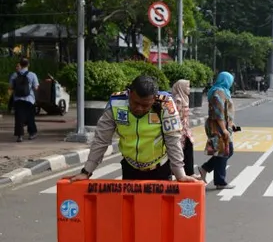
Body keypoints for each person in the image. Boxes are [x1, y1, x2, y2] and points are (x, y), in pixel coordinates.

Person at [70, 75, 199, 183]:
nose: (139, 108)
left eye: (145, 105)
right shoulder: (116, 104)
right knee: (129, 211)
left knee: (156, 212)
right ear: (130, 93)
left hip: (160, 170)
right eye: (135, 103)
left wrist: (180, 175)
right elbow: (101, 140)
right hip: (130, 168)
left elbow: (173, 141)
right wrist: (86, 171)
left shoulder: (165, 105)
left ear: (154, 99)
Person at [198, 71, 236, 189]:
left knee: (225, 152)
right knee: (224, 152)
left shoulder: (224, 91)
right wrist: (224, 129)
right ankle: (220, 181)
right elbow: (218, 112)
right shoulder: (218, 92)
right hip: (218, 126)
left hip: (224, 125)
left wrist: (231, 124)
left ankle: (205, 169)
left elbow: (226, 111)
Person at [9, 58, 39, 142]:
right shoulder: (32, 75)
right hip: (29, 99)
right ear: (28, 64)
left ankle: (20, 136)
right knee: (30, 117)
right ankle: (32, 133)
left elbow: (11, 87)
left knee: (18, 118)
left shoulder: (14, 75)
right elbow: (36, 87)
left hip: (17, 99)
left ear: (20, 65)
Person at [172, 79, 195, 176]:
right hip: (179, 130)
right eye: (187, 87)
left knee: (188, 149)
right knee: (179, 152)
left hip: (185, 130)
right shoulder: (178, 100)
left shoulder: (185, 98)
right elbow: (175, 116)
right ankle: (178, 173)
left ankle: (189, 172)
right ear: (181, 88)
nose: (189, 89)